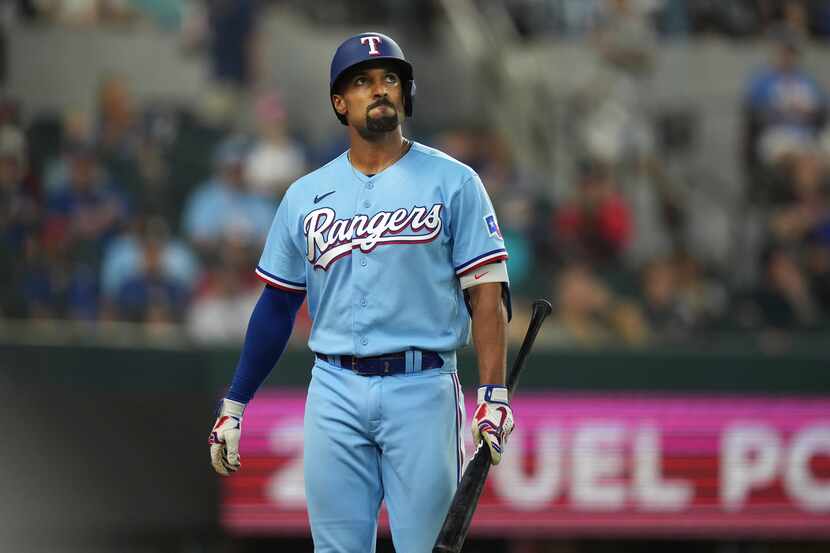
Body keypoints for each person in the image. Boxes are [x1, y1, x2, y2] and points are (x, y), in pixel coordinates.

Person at [207, 32, 514, 553]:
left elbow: (487, 295)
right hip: (334, 387)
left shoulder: (454, 181)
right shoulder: (305, 194)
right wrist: (234, 404)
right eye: (363, 81)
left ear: (406, 94)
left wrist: (494, 394)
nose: (380, 90)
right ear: (339, 102)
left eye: (390, 79)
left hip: (423, 386)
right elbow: (277, 306)